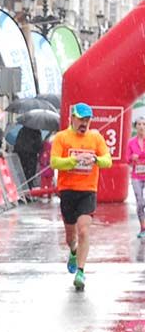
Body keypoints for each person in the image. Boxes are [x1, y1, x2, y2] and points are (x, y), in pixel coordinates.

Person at [50, 102, 113, 291]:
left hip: (88, 190)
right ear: (72, 119)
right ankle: (73, 250)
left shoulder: (96, 138)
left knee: (84, 230)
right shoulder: (62, 138)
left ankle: (81, 271)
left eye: (87, 120)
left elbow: (107, 161)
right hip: (68, 190)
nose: (84, 123)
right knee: (71, 235)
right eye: (81, 119)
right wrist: (72, 160)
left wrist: (95, 159)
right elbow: (54, 162)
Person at [128, 118, 145, 239]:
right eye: (139, 124)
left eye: (143, 124)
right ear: (135, 127)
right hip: (136, 176)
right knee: (140, 202)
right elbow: (126, 158)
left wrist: (139, 155)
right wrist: (131, 158)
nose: (141, 127)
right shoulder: (131, 142)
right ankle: (143, 227)